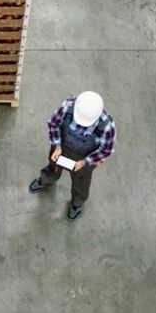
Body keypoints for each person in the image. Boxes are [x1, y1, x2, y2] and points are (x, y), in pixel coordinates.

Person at [28, 91, 117, 220]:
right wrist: (57, 145)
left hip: (84, 158)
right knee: (53, 166)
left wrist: (86, 161)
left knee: (81, 181)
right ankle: (46, 179)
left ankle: (77, 203)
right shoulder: (69, 105)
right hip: (61, 147)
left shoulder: (107, 126)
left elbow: (106, 150)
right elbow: (53, 124)